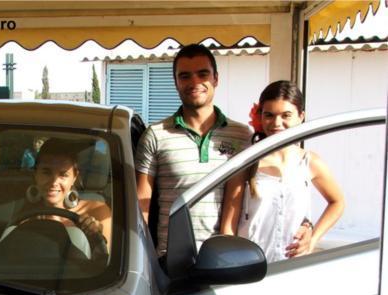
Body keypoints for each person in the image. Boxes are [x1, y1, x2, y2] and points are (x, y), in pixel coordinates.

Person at [135, 43, 252, 256]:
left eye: (202, 74)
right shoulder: (156, 135)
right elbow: (141, 207)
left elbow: (245, 197)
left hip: (220, 258)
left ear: (216, 79)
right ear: (176, 82)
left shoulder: (241, 135)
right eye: (185, 76)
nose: (195, 82)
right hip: (170, 260)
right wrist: (143, 258)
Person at [220, 80, 344, 262]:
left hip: (293, 269)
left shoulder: (309, 162)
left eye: (286, 115)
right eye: (269, 115)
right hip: (251, 267)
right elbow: (228, 228)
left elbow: (337, 202)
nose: (276, 123)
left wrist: (313, 239)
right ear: (260, 116)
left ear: (301, 116)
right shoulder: (245, 163)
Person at [23, 138, 112, 256]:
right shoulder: (26, 215)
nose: (54, 182)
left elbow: (106, 260)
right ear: (35, 174)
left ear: (74, 177)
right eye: (46, 172)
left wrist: (96, 237)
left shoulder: (98, 211)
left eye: (63, 174)